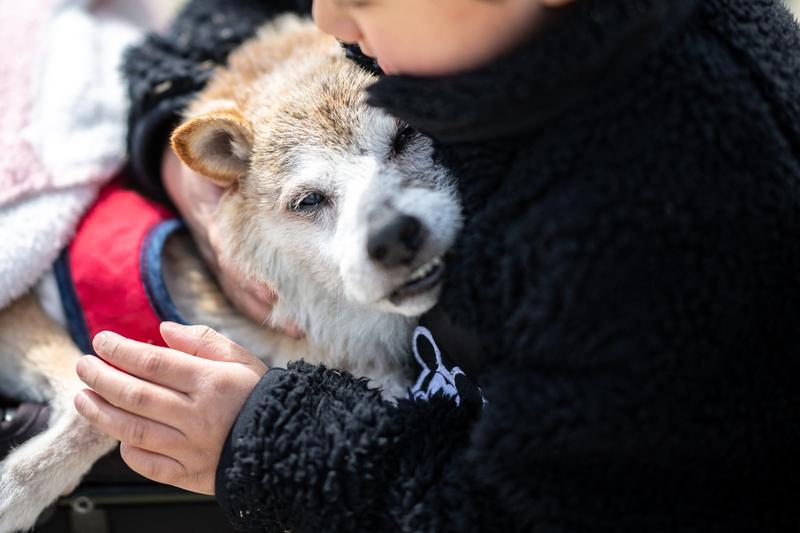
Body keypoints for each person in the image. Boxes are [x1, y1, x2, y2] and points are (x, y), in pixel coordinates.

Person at [74, 0, 800, 531]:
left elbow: (511, 513)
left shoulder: (650, 211)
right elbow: (242, 11)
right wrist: (169, 120)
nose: (329, 20)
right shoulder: (462, 42)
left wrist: (260, 439)